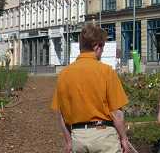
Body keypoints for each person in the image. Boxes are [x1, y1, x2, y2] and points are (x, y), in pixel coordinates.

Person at [51, 23, 131, 153]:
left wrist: (69, 141)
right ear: (96, 46)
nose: (103, 50)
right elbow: (116, 113)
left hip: (79, 137)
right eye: (103, 46)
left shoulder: (64, 74)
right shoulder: (106, 71)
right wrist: (123, 138)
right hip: (104, 136)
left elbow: (61, 115)